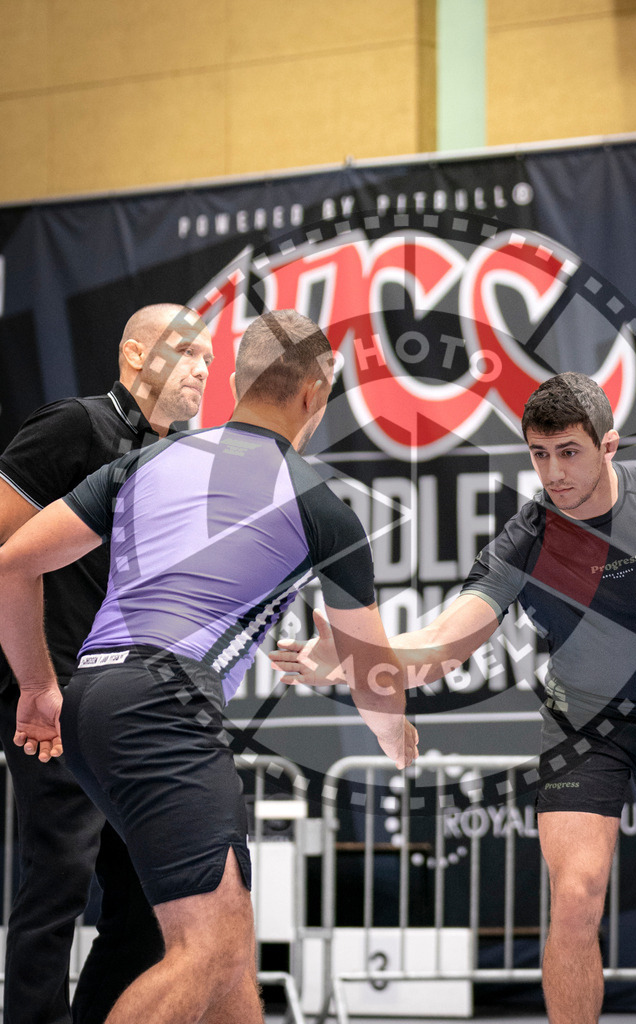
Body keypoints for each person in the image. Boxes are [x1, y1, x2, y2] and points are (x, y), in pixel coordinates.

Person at [272, 370, 636, 1024]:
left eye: (568, 452)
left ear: (609, 445)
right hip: (582, 728)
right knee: (573, 897)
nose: (553, 472)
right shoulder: (526, 540)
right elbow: (445, 644)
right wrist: (360, 658)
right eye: (539, 455)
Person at [0, 309, 417, 1024]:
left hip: (91, 695)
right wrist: (391, 728)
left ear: (234, 379)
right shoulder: (319, 502)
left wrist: (38, 685)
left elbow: (12, 564)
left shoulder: (145, 462)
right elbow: (379, 679)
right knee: (209, 953)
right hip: (164, 705)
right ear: (315, 395)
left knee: (225, 955)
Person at [0, 302, 213, 1024]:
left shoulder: (181, 460)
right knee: (57, 878)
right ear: (133, 357)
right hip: (50, 692)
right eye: (187, 353)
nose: (201, 371)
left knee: (145, 901)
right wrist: (36, 681)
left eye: (211, 360)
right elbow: (1, 553)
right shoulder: (73, 426)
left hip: (128, 701)